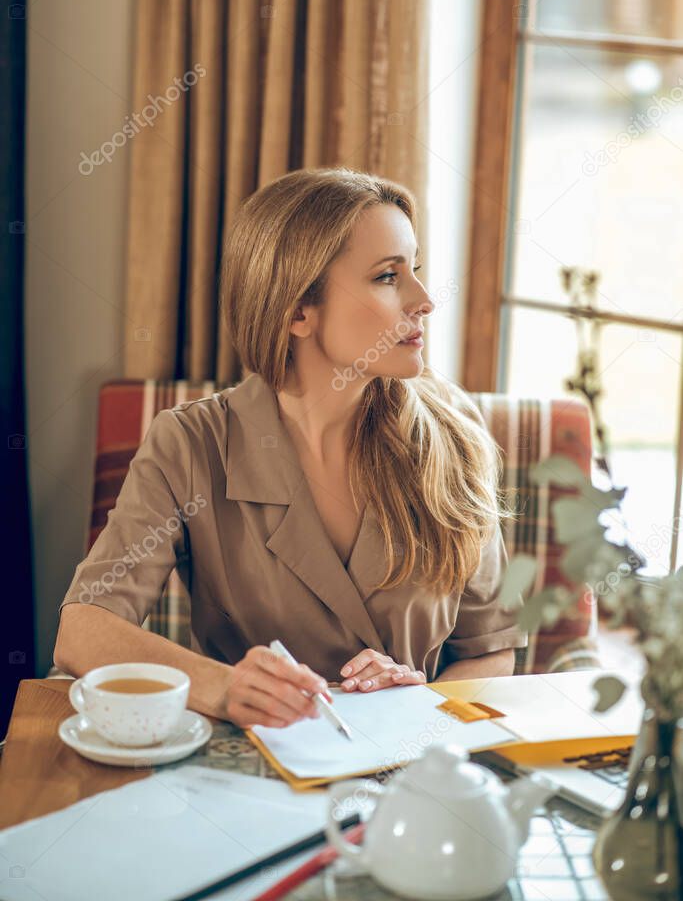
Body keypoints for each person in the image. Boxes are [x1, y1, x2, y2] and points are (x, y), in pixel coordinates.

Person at [54, 167, 526, 730]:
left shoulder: (454, 432)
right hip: (247, 776)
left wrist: (418, 708)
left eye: (415, 271)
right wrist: (226, 687)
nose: (423, 300)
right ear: (298, 310)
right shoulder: (191, 444)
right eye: (386, 277)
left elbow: (490, 649)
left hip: (413, 773)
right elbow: (83, 629)